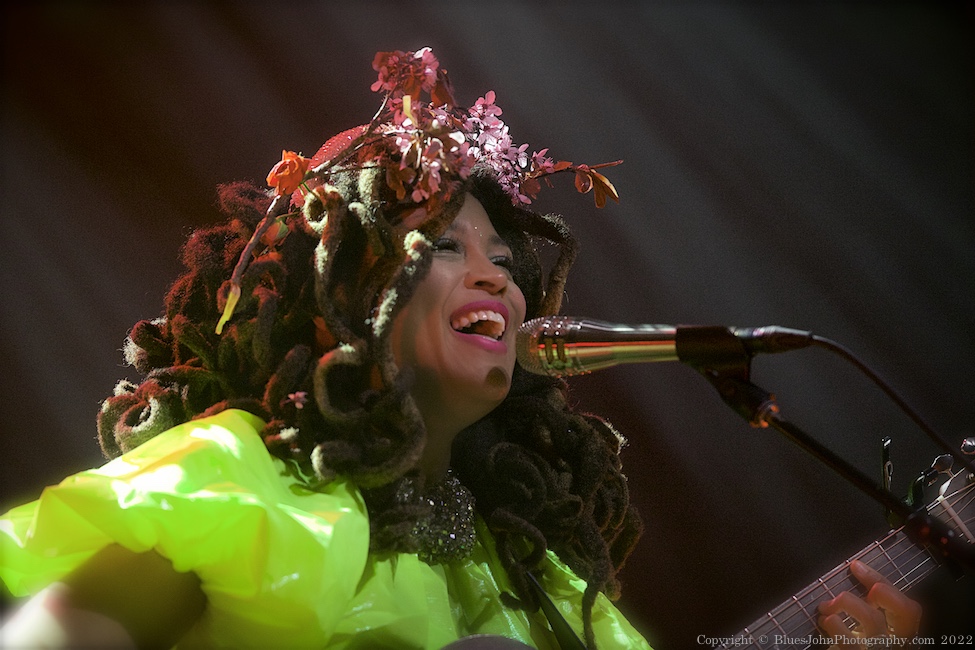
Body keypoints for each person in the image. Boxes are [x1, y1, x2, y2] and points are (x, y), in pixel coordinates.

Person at [0, 48, 919, 649]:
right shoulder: (240, 490)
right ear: (349, 292)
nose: (497, 280)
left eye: (505, 259)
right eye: (445, 247)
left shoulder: (539, 577)